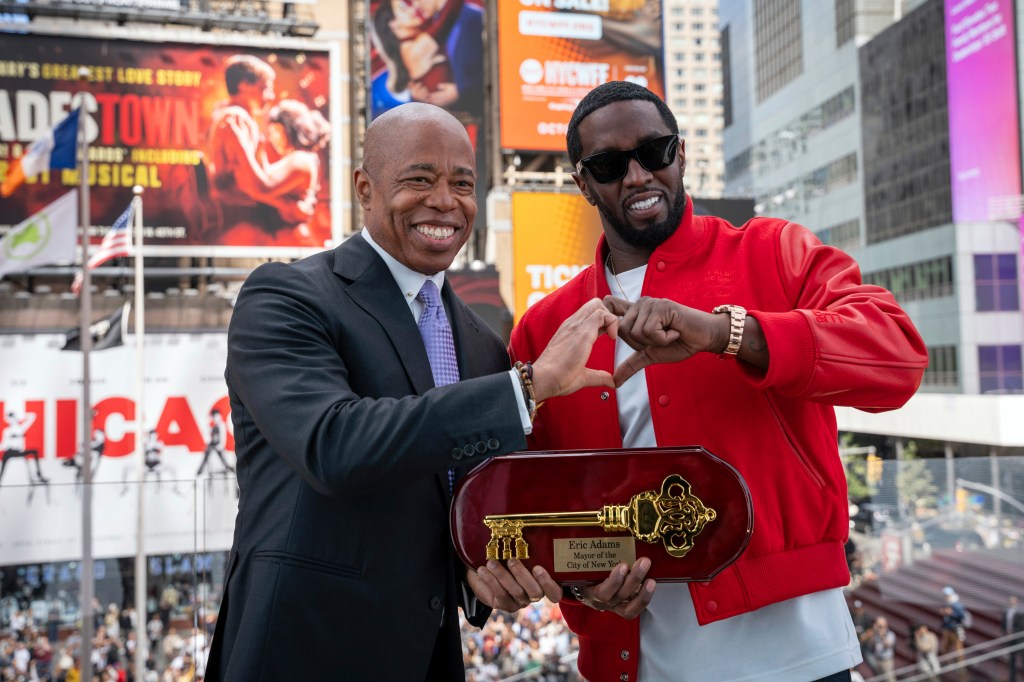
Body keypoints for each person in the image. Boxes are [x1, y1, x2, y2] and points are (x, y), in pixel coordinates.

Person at [508, 81, 928, 681]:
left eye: (654, 152)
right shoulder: (544, 328)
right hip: (632, 661)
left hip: (801, 652)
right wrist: (582, 588)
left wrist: (726, 333)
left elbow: (899, 356)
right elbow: (539, 506)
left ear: (680, 153)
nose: (637, 176)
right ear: (583, 183)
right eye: (608, 165)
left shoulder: (774, 251)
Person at [205, 102, 617, 680]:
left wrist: (550, 575)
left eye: (462, 184)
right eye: (420, 179)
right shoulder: (286, 297)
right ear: (365, 189)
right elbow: (334, 445)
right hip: (300, 652)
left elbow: (474, 511)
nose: (445, 201)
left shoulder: (482, 344)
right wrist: (528, 387)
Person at [206, 55, 312, 245]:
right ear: (244, 85)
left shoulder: (237, 117)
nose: (270, 96)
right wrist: (287, 205)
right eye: (266, 88)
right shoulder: (237, 118)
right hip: (240, 224)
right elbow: (250, 185)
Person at [0, 409, 48, 486]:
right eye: (10, 418)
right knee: (5, 457)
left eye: (13, 418)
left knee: (35, 451)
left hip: (20, 451)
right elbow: (4, 445)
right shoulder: (7, 431)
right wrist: (10, 441)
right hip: (10, 451)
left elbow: (32, 416)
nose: (12, 420)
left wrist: (21, 416)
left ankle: (39, 475)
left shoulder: (21, 428)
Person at [195, 409, 233, 477]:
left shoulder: (221, 424)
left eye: (216, 416)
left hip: (218, 445)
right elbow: (207, 433)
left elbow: (223, 435)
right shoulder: (214, 426)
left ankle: (230, 469)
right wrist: (208, 421)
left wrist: (221, 445)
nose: (215, 418)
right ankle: (199, 472)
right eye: (214, 417)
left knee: (224, 461)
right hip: (213, 444)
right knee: (206, 455)